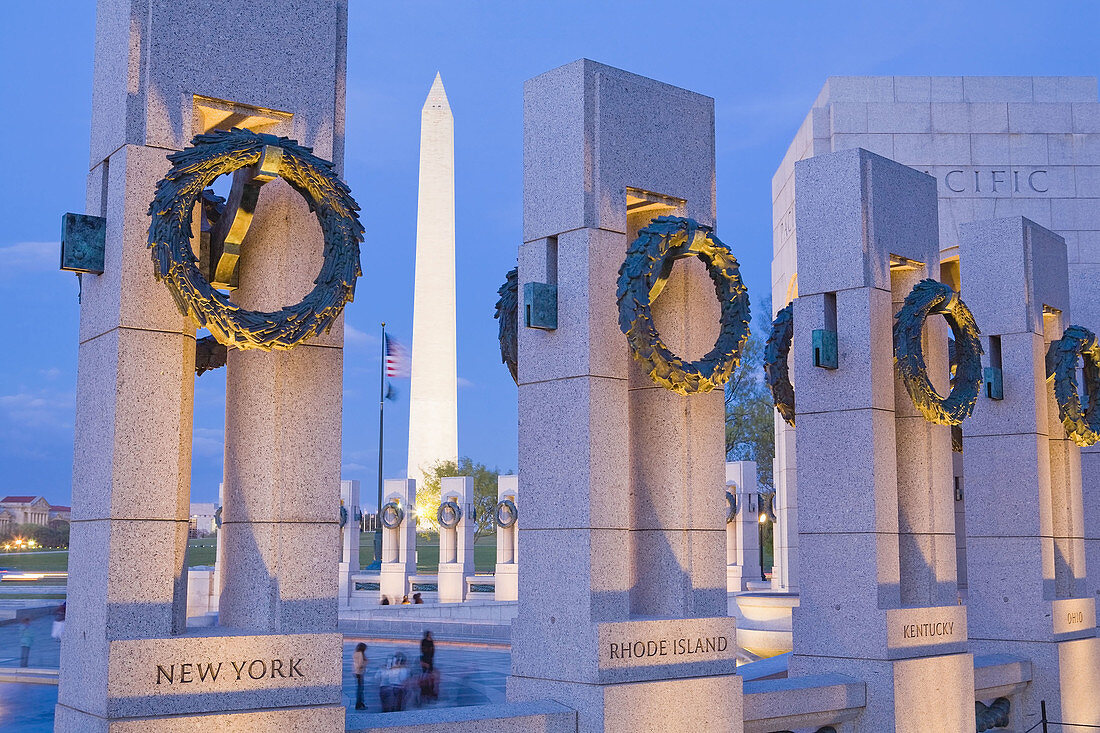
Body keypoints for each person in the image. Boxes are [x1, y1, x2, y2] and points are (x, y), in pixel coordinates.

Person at [352, 642, 367, 710]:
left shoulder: (355, 653)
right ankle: (359, 704)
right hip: (359, 673)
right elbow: (360, 664)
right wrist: (365, 663)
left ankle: (360, 704)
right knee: (360, 689)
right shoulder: (360, 654)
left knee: (359, 689)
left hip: (356, 672)